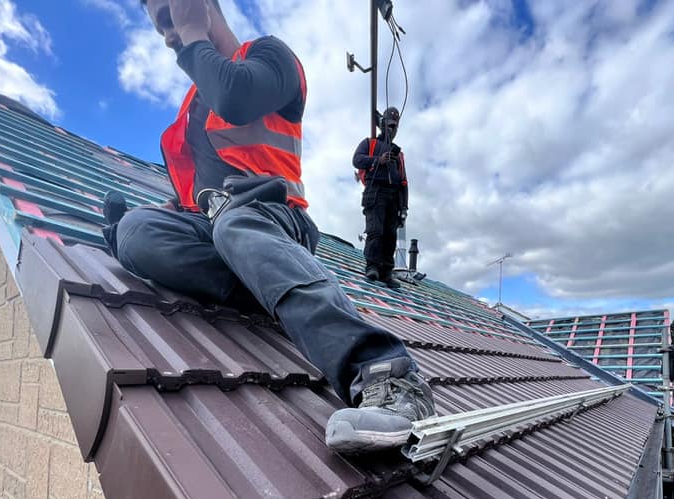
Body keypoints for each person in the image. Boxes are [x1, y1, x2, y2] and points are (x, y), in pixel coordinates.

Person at [112, 0, 434, 453]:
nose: (167, 36)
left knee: (234, 223)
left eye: (169, 17)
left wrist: (192, 32)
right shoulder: (192, 106)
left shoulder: (268, 58)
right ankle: (273, 292)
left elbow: (235, 97)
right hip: (223, 230)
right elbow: (199, 186)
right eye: (159, 27)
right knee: (137, 231)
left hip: (277, 221)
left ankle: (388, 375)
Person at [352, 107, 408, 290]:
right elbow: (357, 160)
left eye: (395, 126)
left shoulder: (398, 154)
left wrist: (404, 208)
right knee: (375, 230)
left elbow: (403, 182)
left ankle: (386, 272)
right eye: (390, 125)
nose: (392, 129)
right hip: (375, 191)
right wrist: (377, 160)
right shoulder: (370, 143)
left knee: (390, 234)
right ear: (383, 124)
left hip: (393, 196)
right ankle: (373, 266)